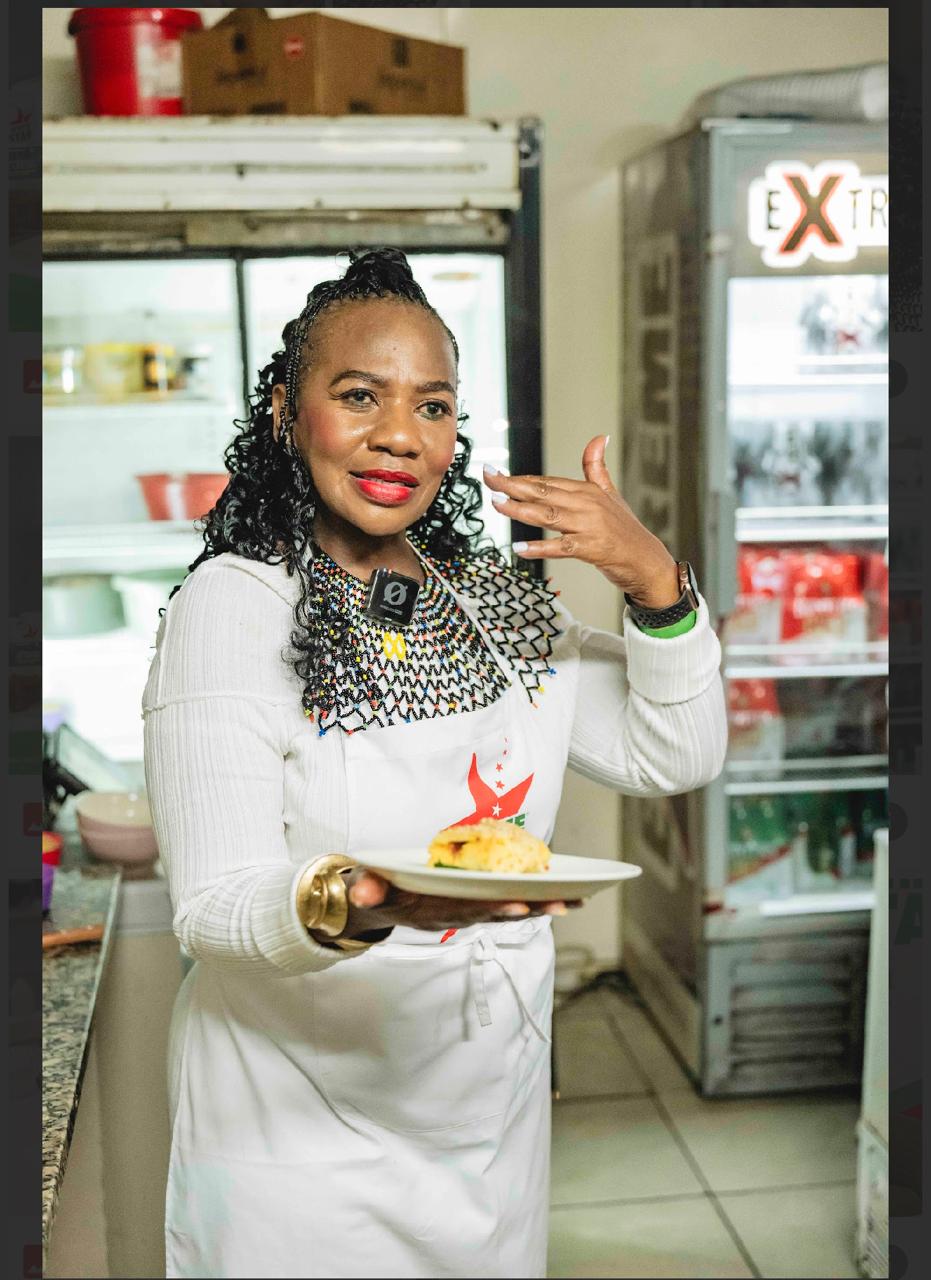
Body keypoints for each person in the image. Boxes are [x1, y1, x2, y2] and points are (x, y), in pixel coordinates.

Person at [143, 247, 727, 1279]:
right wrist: (370, 900)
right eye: (358, 395)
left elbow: (672, 750)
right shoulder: (236, 607)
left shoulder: (487, 600)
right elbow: (213, 906)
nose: (398, 437)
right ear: (287, 410)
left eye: (432, 405)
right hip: (302, 1148)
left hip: (483, 1123)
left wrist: (653, 580)